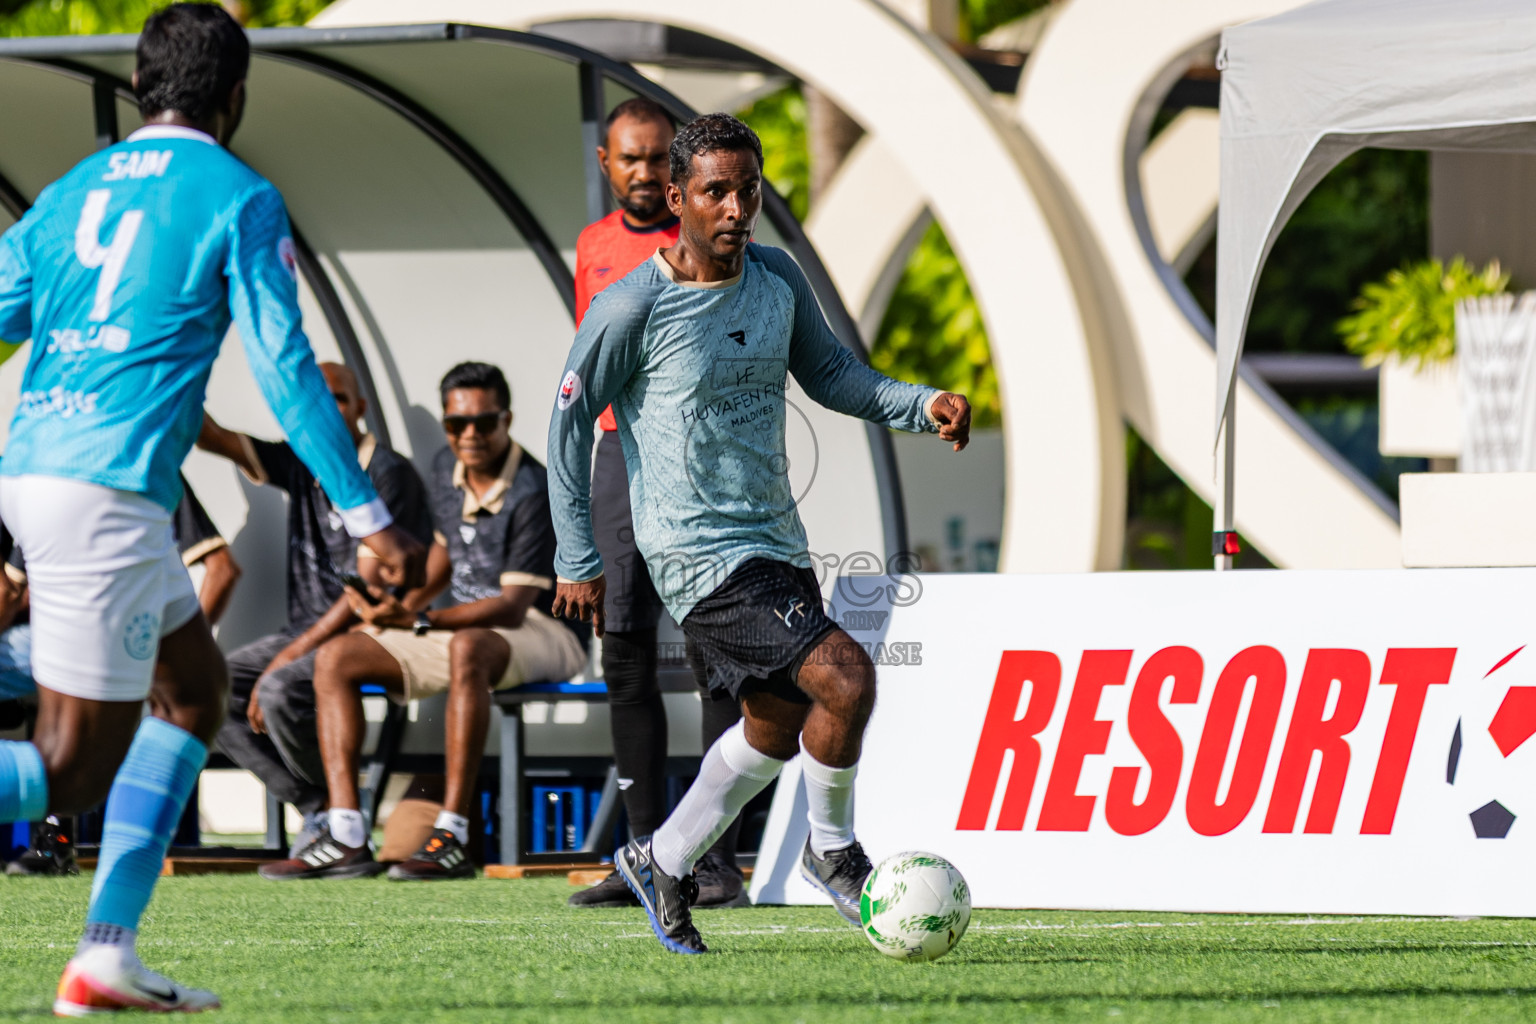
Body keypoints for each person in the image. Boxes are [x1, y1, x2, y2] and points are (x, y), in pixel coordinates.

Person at [0, 5, 425, 1012]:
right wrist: (370, 519)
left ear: (142, 89)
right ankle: (102, 954)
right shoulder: (241, 195)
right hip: (101, 489)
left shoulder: (67, 194)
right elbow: (285, 374)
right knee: (65, 770)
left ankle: (106, 954)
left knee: (193, 692)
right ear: (234, 98)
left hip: (48, 470)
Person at [547, 113, 971, 954]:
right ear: (677, 198)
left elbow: (835, 376)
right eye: (716, 192)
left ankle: (660, 859)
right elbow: (565, 422)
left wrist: (921, 405)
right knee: (845, 678)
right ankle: (833, 852)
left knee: (776, 726)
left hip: (774, 538)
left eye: (748, 189)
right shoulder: (633, 304)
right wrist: (577, 554)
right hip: (696, 552)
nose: (737, 208)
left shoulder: (775, 278)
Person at [260, 362, 588, 882]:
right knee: (337, 655)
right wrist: (399, 606)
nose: (471, 435)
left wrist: (419, 618)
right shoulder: (442, 469)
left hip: (544, 631)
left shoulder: (534, 486)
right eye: (458, 425)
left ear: (508, 419)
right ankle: (346, 832)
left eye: (485, 421)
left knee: (468, 649)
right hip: (463, 628)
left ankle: (451, 833)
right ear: (445, 424)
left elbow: (510, 605)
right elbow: (442, 557)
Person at [566, 98, 747, 910]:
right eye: (628, 158)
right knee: (628, 655)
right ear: (606, 162)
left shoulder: (709, 241)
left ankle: (712, 860)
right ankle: (643, 854)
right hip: (617, 459)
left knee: (716, 660)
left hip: (699, 465)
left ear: (679, 180)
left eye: (654, 159)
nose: (641, 172)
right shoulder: (593, 246)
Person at [197, 361, 436, 854]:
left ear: (361, 408)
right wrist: (174, 370)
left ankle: (340, 815)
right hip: (303, 631)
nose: (327, 409)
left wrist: (284, 661)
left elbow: (361, 600)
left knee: (282, 688)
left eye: (340, 399)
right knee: (210, 690)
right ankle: (323, 807)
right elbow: (214, 438)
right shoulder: (304, 460)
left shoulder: (387, 473)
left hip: (368, 633)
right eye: (316, 400)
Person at [3, 476, 241, 877]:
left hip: (111, 641)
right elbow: (13, 591)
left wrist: (180, 650)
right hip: (63, 641)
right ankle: (63, 850)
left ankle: (58, 842)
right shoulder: (50, 471)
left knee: (77, 775)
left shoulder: (146, 467)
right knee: (75, 777)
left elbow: (223, 569)